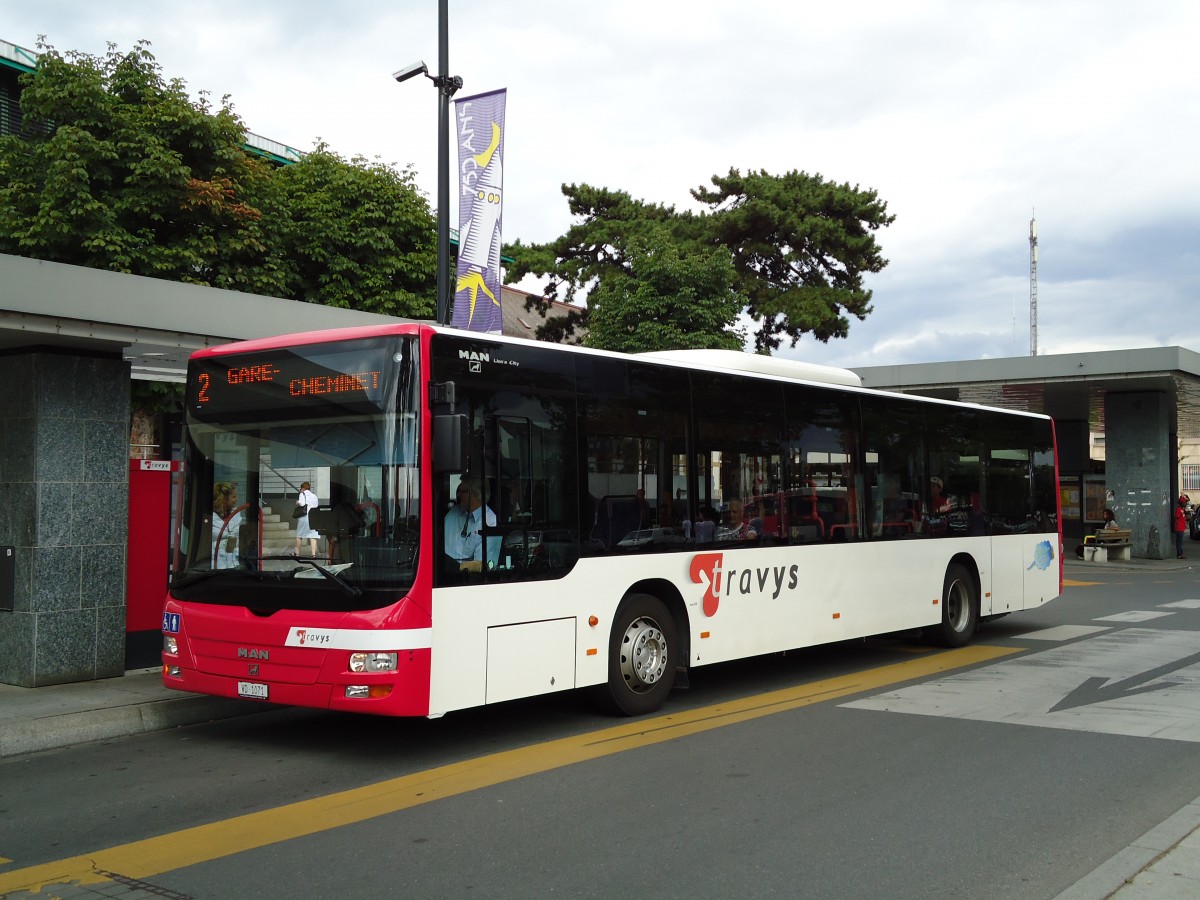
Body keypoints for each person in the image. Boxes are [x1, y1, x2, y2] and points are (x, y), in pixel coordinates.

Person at [443, 478, 496, 571]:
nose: (458, 494)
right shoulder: (453, 513)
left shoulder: (490, 522)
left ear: (474, 494)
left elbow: (481, 565)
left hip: (466, 578)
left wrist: (454, 567)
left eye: (462, 491)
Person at [212, 482, 242, 568]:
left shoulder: (236, 513)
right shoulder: (210, 516)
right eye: (233, 497)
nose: (236, 500)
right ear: (223, 499)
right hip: (215, 565)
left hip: (234, 564)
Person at [293, 481, 320, 558]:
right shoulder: (314, 496)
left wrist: (297, 502)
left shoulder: (302, 494)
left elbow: (302, 503)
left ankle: (297, 553)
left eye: (301, 488)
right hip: (313, 517)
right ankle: (313, 554)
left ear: (303, 488)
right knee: (313, 536)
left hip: (304, 517)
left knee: (299, 535)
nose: (300, 490)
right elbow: (316, 505)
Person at [1174, 495, 1188, 560]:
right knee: (1179, 542)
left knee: (1180, 542)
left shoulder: (1182, 509)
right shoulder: (1179, 509)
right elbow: (1177, 517)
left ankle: (1180, 554)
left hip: (1182, 528)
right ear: (1181, 503)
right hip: (1179, 528)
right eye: (1184, 502)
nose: (1186, 503)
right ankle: (1179, 554)